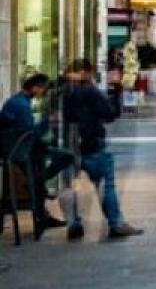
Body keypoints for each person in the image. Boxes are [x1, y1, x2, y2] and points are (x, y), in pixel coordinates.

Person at [57, 60, 139, 240]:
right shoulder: (90, 90)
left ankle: (73, 224)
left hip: (66, 147)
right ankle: (116, 223)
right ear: (85, 72)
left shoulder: (62, 92)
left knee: (68, 186)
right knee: (105, 184)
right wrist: (115, 90)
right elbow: (110, 114)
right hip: (92, 144)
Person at [1, 74, 71, 235]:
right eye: (43, 89)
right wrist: (48, 122)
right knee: (66, 156)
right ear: (35, 87)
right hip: (20, 151)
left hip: (16, 149)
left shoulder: (16, 101)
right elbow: (30, 133)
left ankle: (38, 188)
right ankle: (36, 184)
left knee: (41, 172)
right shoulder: (21, 105)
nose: (43, 93)